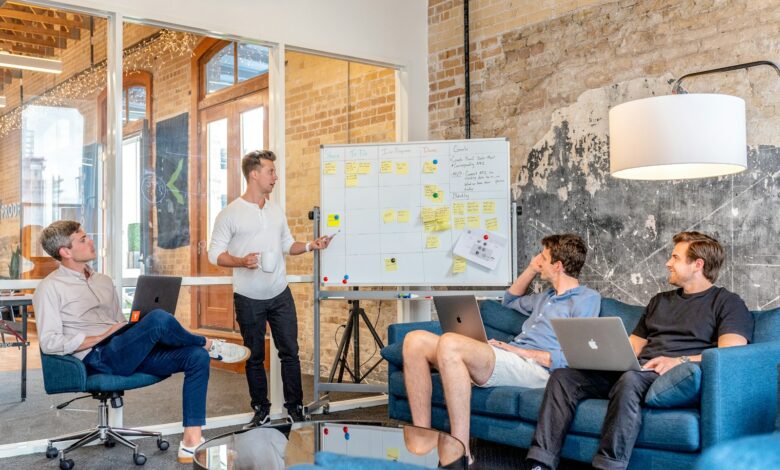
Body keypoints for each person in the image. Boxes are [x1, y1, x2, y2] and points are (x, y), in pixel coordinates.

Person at [524, 231, 754, 470]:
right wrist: (603, 357)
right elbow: (633, 346)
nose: (668, 263)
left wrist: (679, 361)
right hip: (639, 370)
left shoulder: (727, 302)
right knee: (564, 377)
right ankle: (540, 463)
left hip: (672, 376)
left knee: (630, 379)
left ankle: (608, 466)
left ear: (698, 264)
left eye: (675, 257)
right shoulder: (659, 301)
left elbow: (730, 354)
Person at [33, 220, 250, 464]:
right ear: (65, 251)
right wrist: (100, 336)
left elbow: (118, 322)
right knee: (158, 319)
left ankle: (191, 442)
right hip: (97, 357)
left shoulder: (102, 280)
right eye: (83, 239)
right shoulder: (49, 288)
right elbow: (50, 342)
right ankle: (209, 344)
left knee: (194, 356)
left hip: (123, 349)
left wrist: (131, 328)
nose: (91, 241)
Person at [402, 234, 601, 461]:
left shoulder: (586, 299)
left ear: (558, 266)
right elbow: (509, 300)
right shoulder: (545, 297)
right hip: (511, 359)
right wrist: (530, 269)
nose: (538, 260)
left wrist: (522, 352)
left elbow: (577, 355)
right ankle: (423, 436)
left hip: (537, 370)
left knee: (450, 343)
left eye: (543, 258)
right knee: (414, 340)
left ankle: (461, 453)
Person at [208, 149, 332, 428]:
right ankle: (261, 409)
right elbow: (214, 254)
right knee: (254, 355)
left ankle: (295, 408)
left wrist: (312, 245)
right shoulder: (230, 213)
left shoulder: (275, 211)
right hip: (248, 297)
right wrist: (241, 260)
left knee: (290, 351)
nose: (275, 177)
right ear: (254, 174)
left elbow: (288, 245)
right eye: (270, 171)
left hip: (279, 293)